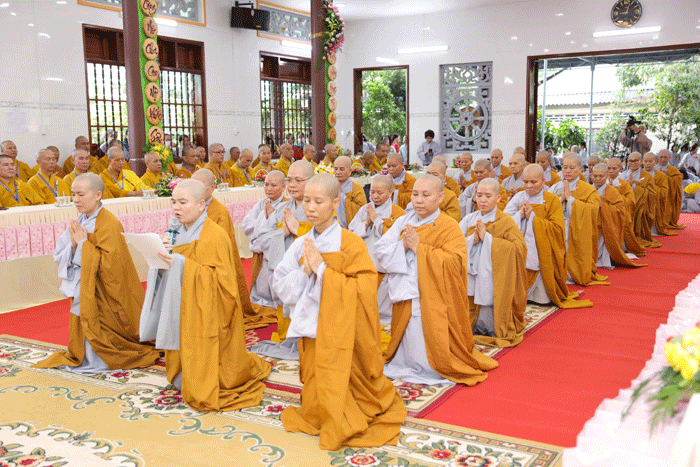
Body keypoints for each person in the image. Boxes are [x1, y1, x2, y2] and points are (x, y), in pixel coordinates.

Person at [273, 173, 406, 450]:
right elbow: (280, 286)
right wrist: (304, 271)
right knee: (315, 398)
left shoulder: (350, 243)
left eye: (318, 201)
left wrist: (322, 270)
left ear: (335, 203)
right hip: (312, 328)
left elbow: (366, 289)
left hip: (344, 330)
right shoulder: (301, 243)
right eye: (306, 200)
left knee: (345, 388)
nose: (310, 207)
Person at [140, 179, 270, 411]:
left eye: (182, 202)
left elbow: (224, 286)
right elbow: (170, 271)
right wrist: (159, 258)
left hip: (207, 309)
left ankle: (206, 377)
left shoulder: (214, 235)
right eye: (173, 202)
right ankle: (185, 374)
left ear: (201, 205)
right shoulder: (176, 231)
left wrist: (181, 262)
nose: (176, 208)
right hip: (181, 302)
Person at [376, 174, 498, 385]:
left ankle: (432, 365)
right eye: (415, 194)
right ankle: (405, 363)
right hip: (406, 293)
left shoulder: (449, 226)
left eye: (426, 195)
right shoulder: (402, 221)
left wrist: (419, 248)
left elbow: (455, 263)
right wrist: (403, 246)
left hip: (433, 298)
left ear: (441, 197)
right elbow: (380, 252)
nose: (418, 200)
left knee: (426, 338)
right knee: (407, 338)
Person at [34, 173, 159, 372]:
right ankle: (83, 353)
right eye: (73, 194)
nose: (75, 200)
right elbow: (60, 253)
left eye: (81, 195)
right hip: (85, 285)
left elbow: (112, 265)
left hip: (105, 291)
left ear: (98, 194)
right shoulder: (81, 220)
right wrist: (75, 246)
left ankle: (102, 356)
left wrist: (83, 244)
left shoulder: (109, 223)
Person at [250, 160, 315, 357]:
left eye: (298, 180)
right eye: (289, 180)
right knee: (284, 299)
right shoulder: (282, 209)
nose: (292, 185)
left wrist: (298, 230)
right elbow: (262, 235)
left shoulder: (317, 206)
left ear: (311, 181)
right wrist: (283, 233)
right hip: (284, 267)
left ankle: (308, 338)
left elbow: (330, 236)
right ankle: (287, 334)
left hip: (306, 269)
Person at [504, 164, 592, 309]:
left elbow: (557, 229)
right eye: (525, 182)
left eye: (534, 182)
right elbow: (505, 220)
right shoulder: (519, 197)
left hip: (542, 249)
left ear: (543, 181)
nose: (529, 186)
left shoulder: (551, 200)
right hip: (521, 245)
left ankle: (541, 296)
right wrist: (520, 215)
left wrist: (533, 218)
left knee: (542, 295)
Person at [459, 178, 527, 347]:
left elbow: (519, 249)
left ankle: (491, 327)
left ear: (498, 198)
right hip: (472, 271)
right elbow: (455, 243)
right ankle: (471, 325)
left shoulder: (505, 221)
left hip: (493, 275)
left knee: (489, 304)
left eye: (488, 196)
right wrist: (472, 240)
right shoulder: (468, 219)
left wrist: (488, 239)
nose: (483, 200)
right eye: (479, 195)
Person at [348, 175, 405, 325]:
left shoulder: (397, 212)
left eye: (380, 193)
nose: (375, 196)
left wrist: (377, 222)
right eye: (372, 192)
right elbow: (352, 231)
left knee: (382, 306)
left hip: (383, 265)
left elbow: (398, 238)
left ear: (391, 191)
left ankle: (383, 328)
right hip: (365, 260)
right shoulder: (364, 209)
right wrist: (366, 223)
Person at [548, 153, 609, 287]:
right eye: (565, 167)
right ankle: (557, 274)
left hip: (576, 226)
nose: (568, 171)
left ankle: (572, 274)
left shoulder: (588, 189)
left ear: (580, 169)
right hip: (558, 224)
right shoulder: (555, 187)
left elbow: (593, 210)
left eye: (572, 168)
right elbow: (546, 206)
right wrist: (561, 199)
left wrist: (571, 200)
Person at [242, 170, 287, 314]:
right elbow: (247, 225)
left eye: (274, 185)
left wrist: (269, 220)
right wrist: (264, 217)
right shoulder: (262, 204)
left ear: (283, 186)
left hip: (278, 250)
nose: (268, 188)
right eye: (266, 184)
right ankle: (262, 299)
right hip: (261, 250)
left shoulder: (287, 204)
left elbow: (282, 229)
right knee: (261, 282)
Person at [588, 163, 644, 269]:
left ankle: (603, 258)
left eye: (601, 176)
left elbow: (620, 211)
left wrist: (603, 205)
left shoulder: (612, 191)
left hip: (606, 227)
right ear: (591, 175)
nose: (598, 179)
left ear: (607, 176)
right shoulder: (587, 190)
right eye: (595, 176)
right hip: (591, 224)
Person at [606, 156, 650, 255]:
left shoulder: (624, 185)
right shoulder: (601, 182)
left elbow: (630, 203)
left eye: (614, 168)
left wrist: (614, 193)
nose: (611, 171)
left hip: (619, 217)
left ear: (620, 169)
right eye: (609, 168)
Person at [621, 152, 660, 249]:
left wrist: (634, 186)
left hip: (640, 209)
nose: (633, 163)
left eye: (636, 160)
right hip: (625, 205)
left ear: (641, 161)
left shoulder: (647, 176)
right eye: (631, 160)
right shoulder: (622, 175)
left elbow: (652, 194)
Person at [643, 152, 678, 237]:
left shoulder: (660, 175)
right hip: (641, 202)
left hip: (655, 203)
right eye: (646, 161)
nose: (647, 164)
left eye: (650, 161)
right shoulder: (638, 173)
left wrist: (651, 188)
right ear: (642, 162)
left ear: (655, 162)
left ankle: (652, 230)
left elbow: (664, 191)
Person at [333, 155, 367, 228]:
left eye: (342, 169)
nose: (338, 172)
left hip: (351, 230)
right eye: (335, 169)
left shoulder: (357, 188)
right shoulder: (329, 187)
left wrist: (342, 196)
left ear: (350, 171)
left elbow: (362, 211)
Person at [657, 148, 686, 230]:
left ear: (669, 158)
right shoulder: (653, 168)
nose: (663, 159)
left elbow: (678, 181)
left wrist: (666, 177)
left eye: (665, 157)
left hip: (668, 196)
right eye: (661, 157)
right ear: (658, 158)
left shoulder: (673, 170)